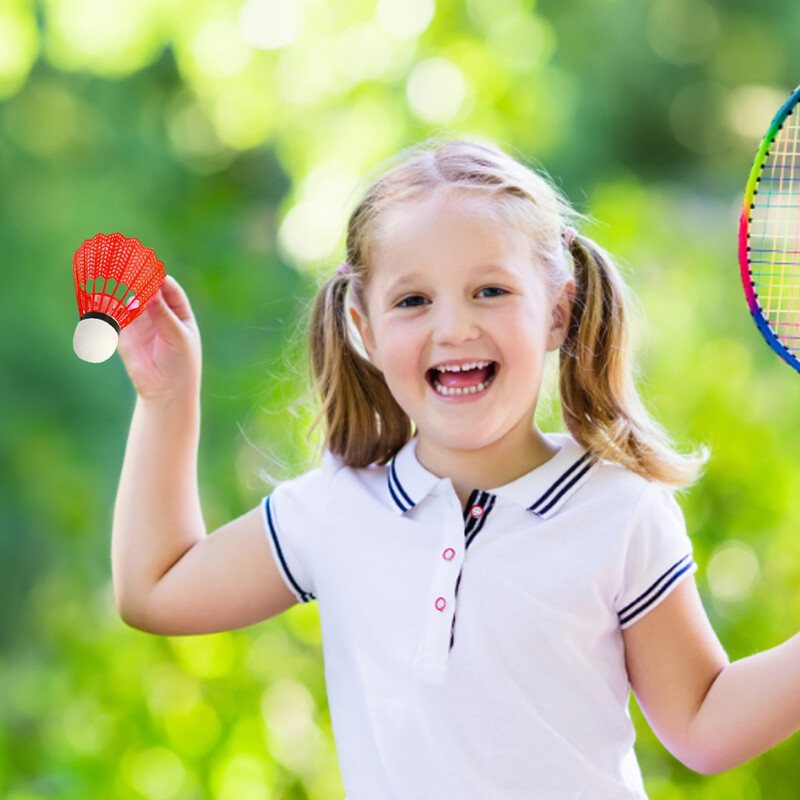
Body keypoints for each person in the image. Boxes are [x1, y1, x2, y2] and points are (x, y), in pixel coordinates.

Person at [112, 138, 800, 799]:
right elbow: (155, 590)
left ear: (557, 313)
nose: (454, 328)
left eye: (491, 291)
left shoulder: (618, 509)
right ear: (365, 330)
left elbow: (706, 726)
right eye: (413, 301)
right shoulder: (335, 510)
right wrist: (168, 397)